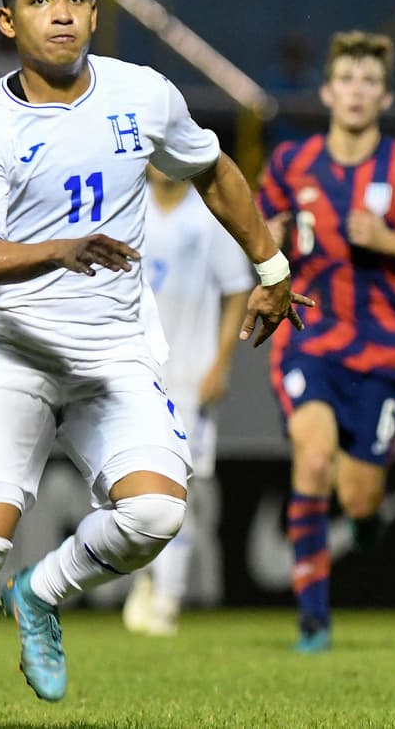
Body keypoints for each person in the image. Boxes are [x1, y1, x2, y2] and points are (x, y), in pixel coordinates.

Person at [0, 0, 310, 729]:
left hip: (115, 356)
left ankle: (43, 593)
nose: (61, 10)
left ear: (96, 13)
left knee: (158, 516)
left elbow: (215, 171)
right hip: (13, 357)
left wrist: (270, 270)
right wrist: (57, 249)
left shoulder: (146, 95)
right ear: (6, 19)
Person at [258, 30, 395, 654]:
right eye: (346, 79)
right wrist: (264, 270)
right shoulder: (291, 164)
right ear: (326, 91)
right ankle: (314, 620)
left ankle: (368, 515)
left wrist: (387, 239)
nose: (356, 91)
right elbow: (261, 233)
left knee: (356, 492)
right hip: (309, 339)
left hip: (381, 353)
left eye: (369, 82)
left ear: (384, 97)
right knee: (313, 458)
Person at [119, 164, 254, 637]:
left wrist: (222, 361)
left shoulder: (207, 214)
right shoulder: (127, 207)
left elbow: (238, 289)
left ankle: (168, 599)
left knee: (180, 490)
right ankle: (146, 584)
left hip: (189, 374)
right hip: (135, 370)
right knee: (136, 485)